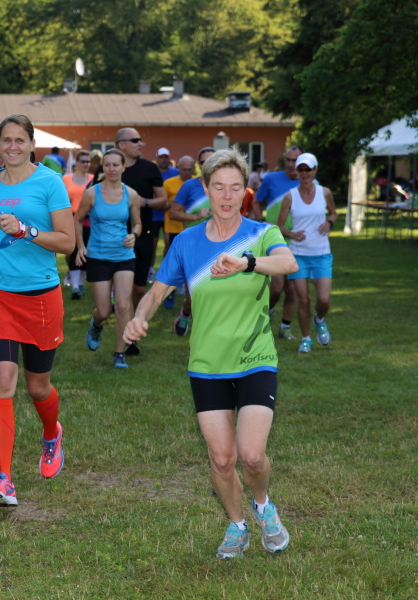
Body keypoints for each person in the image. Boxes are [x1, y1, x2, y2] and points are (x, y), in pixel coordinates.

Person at [125, 148, 297, 560]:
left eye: (235, 188)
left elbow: (287, 263)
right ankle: (237, 525)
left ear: (245, 191)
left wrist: (246, 263)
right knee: (222, 460)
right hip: (207, 365)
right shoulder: (186, 242)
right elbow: (157, 293)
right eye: (218, 187)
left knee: (251, 455)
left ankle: (263, 506)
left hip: (255, 358)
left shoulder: (262, 234)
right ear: (205, 189)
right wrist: (138, 318)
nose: (227, 196)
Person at [0, 114, 74, 507]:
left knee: (38, 387)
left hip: (40, 296)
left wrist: (27, 231)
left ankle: (51, 433)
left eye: (19, 140)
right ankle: (3, 479)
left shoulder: (50, 183)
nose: (11, 147)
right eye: (5, 140)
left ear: (31, 144)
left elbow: (68, 242)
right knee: (2, 380)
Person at [74, 149, 142, 368]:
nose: (111, 169)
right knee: (104, 310)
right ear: (102, 167)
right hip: (98, 256)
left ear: (123, 167)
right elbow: (77, 219)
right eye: (107, 165)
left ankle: (119, 352)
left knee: (122, 305)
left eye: (115, 165)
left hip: (124, 256)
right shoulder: (92, 193)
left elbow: (137, 223)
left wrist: (134, 235)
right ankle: (96, 324)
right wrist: (81, 247)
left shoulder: (131, 194)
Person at [276, 153, 337, 354]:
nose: (304, 173)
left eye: (308, 169)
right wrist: (292, 234)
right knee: (303, 300)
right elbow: (279, 226)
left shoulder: (325, 192)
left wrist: (329, 222)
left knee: (324, 300)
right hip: (298, 254)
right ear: (297, 172)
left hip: (321, 254)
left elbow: (334, 213)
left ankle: (319, 319)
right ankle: (306, 339)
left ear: (315, 170)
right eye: (301, 169)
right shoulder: (290, 196)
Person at [114, 128, 167, 322]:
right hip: (113, 235)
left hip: (142, 234)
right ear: (122, 145)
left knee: (138, 288)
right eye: (135, 140)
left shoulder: (149, 168)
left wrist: (142, 202)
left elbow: (163, 200)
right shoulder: (110, 167)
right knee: (121, 287)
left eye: (140, 140)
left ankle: (134, 318)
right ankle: (125, 321)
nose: (140, 144)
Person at [257, 145, 304, 340]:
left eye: (296, 161)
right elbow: (256, 201)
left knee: (291, 288)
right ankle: (268, 311)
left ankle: (285, 327)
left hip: (299, 242)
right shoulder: (271, 179)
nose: (292, 164)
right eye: (289, 160)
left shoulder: (310, 183)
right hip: (274, 239)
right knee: (276, 288)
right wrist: (261, 221)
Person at [169, 147, 216, 336]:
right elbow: (173, 213)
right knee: (193, 294)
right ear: (199, 165)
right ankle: (186, 311)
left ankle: (208, 328)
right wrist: (196, 216)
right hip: (193, 244)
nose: (208, 165)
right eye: (204, 162)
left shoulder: (225, 186)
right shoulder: (189, 186)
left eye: (212, 161)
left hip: (220, 243)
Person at [161, 155, 196, 308]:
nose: (186, 172)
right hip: (173, 226)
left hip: (193, 228)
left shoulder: (199, 183)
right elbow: (163, 204)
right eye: (183, 169)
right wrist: (177, 202)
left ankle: (188, 291)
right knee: (173, 261)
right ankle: (169, 293)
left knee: (191, 261)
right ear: (178, 169)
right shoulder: (169, 183)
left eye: (189, 169)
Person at [63, 149, 93, 299]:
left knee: (86, 250)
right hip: (71, 218)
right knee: (73, 251)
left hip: (89, 219)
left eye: (88, 161)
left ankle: (80, 285)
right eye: (83, 161)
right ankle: (75, 286)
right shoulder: (66, 178)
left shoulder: (93, 179)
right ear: (76, 163)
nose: (85, 164)